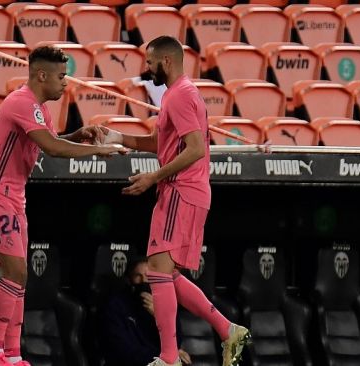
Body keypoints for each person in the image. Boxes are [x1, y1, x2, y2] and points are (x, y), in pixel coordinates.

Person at [0, 45, 128, 366]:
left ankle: (12, 355)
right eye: (61, 76)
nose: (65, 83)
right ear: (41, 75)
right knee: (13, 273)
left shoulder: (38, 108)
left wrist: (79, 135)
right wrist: (95, 152)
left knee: (21, 276)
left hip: (13, 197)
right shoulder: (20, 102)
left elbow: (49, 142)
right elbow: (53, 149)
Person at [102, 36, 250, 366]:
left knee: (157, 269)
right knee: (165, 275)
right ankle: (227, 330)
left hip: (181, 191)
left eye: (150, 62)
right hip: (187, 192)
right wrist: (119, 138)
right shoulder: (178, 94)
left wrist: (153, 177)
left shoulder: (181, 95)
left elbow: (196, 149)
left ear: (166, 61)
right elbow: (162, 143)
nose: (146, 68)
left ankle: (169, 357)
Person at [100, 257, 191, 366]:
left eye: (149, 277)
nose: (143, 281)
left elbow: (176, 343)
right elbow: (122, 350)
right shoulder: (115, 305)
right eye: (138, 276)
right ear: (129, 280)